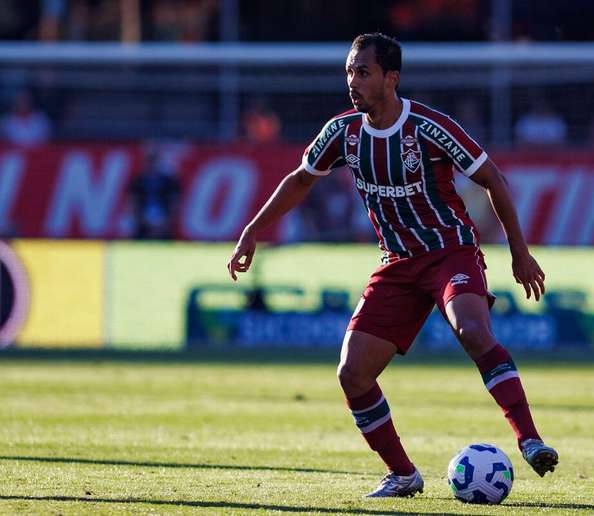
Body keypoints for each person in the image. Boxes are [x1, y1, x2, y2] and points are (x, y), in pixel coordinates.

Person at [226, 33, 558, 498]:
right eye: (349, 72)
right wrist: (252, 230)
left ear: (391, 78)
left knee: (473, 331)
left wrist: (520, 253)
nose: (352, 81)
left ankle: (529, 439)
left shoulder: (428, 126)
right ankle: (403, 474)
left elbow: (492, 179)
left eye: (362, 72)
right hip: (397, 264)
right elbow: (301, 179)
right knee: (352, 372)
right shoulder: (343, 132)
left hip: (449, 252)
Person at [129, 148, 181, 240]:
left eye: (154, 161)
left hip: (163, 220)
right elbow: (134, 203)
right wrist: (141, 220)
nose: (152, 165)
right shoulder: (139, 181)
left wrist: (167, 222)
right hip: (143, 220)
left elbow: (174, 203)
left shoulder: (169, 181)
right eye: (150, 161)